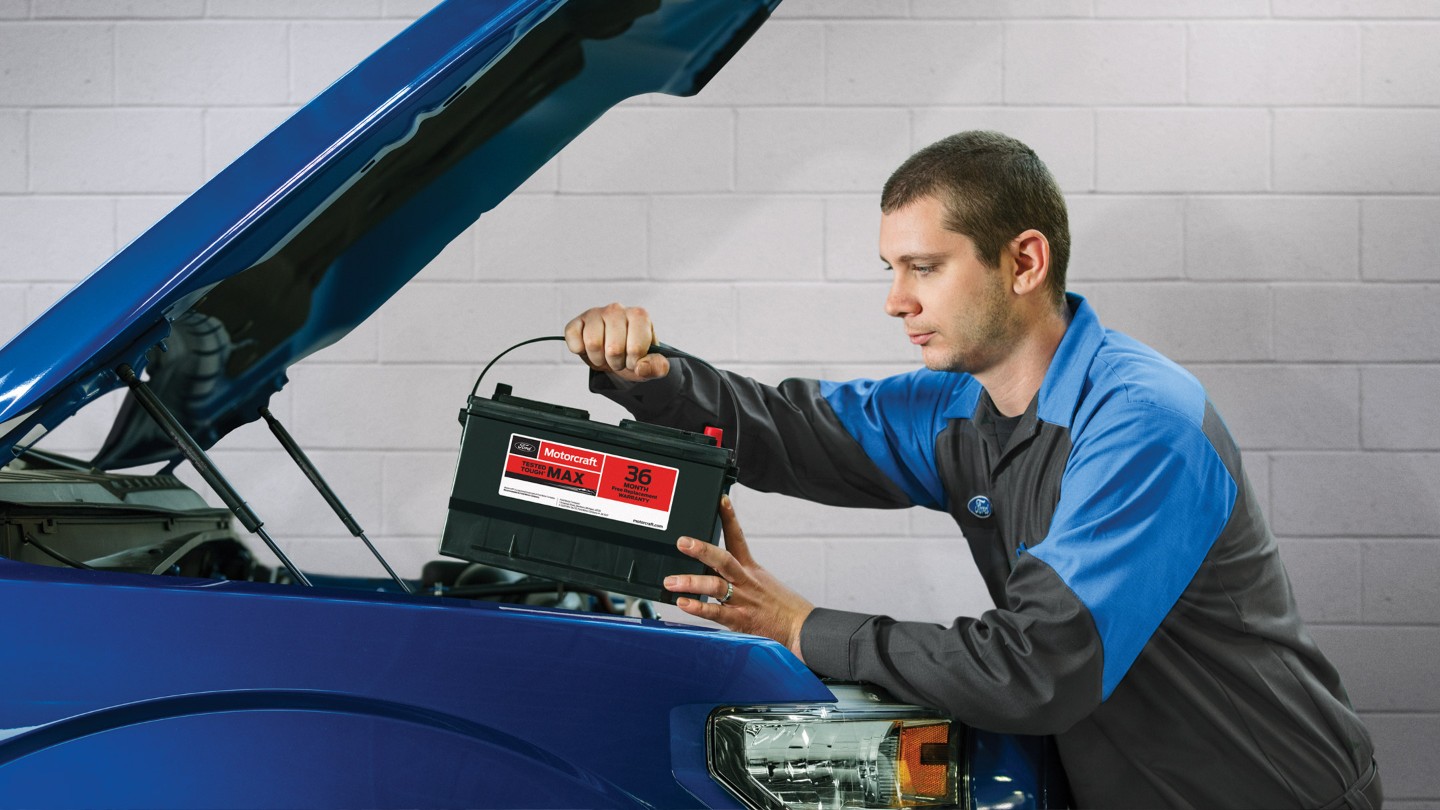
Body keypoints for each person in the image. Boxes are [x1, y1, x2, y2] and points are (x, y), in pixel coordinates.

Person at [563, 131, 1380, 809]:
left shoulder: (1142, 424)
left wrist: (797, 625)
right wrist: (655, 380)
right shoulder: (956, 408)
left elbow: (1036, 668)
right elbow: (794, 429)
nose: (895, 300)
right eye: (891, 269)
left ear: (1023, 262)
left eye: (923, 267)